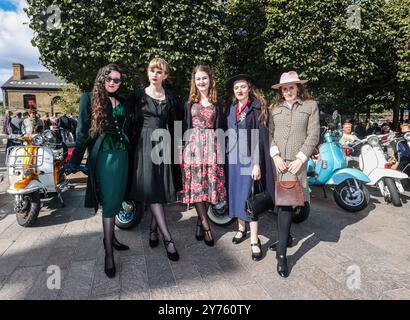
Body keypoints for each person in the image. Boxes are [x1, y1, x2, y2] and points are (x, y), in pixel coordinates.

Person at [67, 64, 132, 278]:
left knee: (116, 199)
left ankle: (111, 238)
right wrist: (74, 161)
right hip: (105, 156)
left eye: (117, 80)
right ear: (101, 78)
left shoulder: (122, 101)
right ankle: (109, 253)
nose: (113, 82)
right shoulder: (88, 98)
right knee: (110, 203)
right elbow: (82, 132)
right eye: (109, 78)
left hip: (123, 155)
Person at [128, 57, 180, 261]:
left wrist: (177, 152)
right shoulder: (137, 96)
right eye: (152, 70)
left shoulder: (171, 98)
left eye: (159, 71)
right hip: (143, 146)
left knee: (159, 189)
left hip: (163, 144)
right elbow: (129, 123)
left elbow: (176, 125)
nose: (155, 74)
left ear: (165, 75)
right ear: (148, 72)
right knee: (152, 189)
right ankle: (168, 238)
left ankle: (152, 229)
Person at [269, 71, 320, 277]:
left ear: (298, 87)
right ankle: (286, 238)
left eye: (291, 87)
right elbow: (270, 133)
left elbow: (314, 134)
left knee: (286, 204)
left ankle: (281, 254)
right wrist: (275, 156)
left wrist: (300, 158)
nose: (288, 91)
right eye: (284, 88)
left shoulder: (310, 106)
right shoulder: (274, 109)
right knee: (282, 203)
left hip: (296, 165)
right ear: (281, 90)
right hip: (279, 164)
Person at [225, 74, 275, 261]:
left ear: (249, 88)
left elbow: (259, 139)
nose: (239, 90)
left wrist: (256, 164)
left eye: (243, 87)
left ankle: (254, 240)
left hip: (249, 159)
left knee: (249, 197)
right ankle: (241, 229)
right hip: (233, 158)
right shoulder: (230, 108)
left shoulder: (256, 108)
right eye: (236, 87)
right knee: (237, 195)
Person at [178, 65, 226, 247]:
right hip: (194, 148)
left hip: (212, 148)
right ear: (194, 82)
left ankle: (199, 223)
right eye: (198, 79)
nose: (201, 82)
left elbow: (221, 128)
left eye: (204, 78)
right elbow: (183, 126)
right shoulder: (189, 102)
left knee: (208, 186)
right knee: (197, 187)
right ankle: (206, 227)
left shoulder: (218, 103)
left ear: (210, 80)